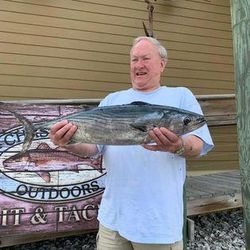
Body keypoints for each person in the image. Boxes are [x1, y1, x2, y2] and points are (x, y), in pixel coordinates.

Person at [49, 36, 214, 250]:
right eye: (134, 59)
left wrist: (177, 146)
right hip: (113, 219)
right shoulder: (111, 100)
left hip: (158, 224)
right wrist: (68, 142)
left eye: (145, 58)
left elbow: (198, 144)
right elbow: (92, 149)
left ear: (162, 64)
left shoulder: (180, 96)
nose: (139, 65)